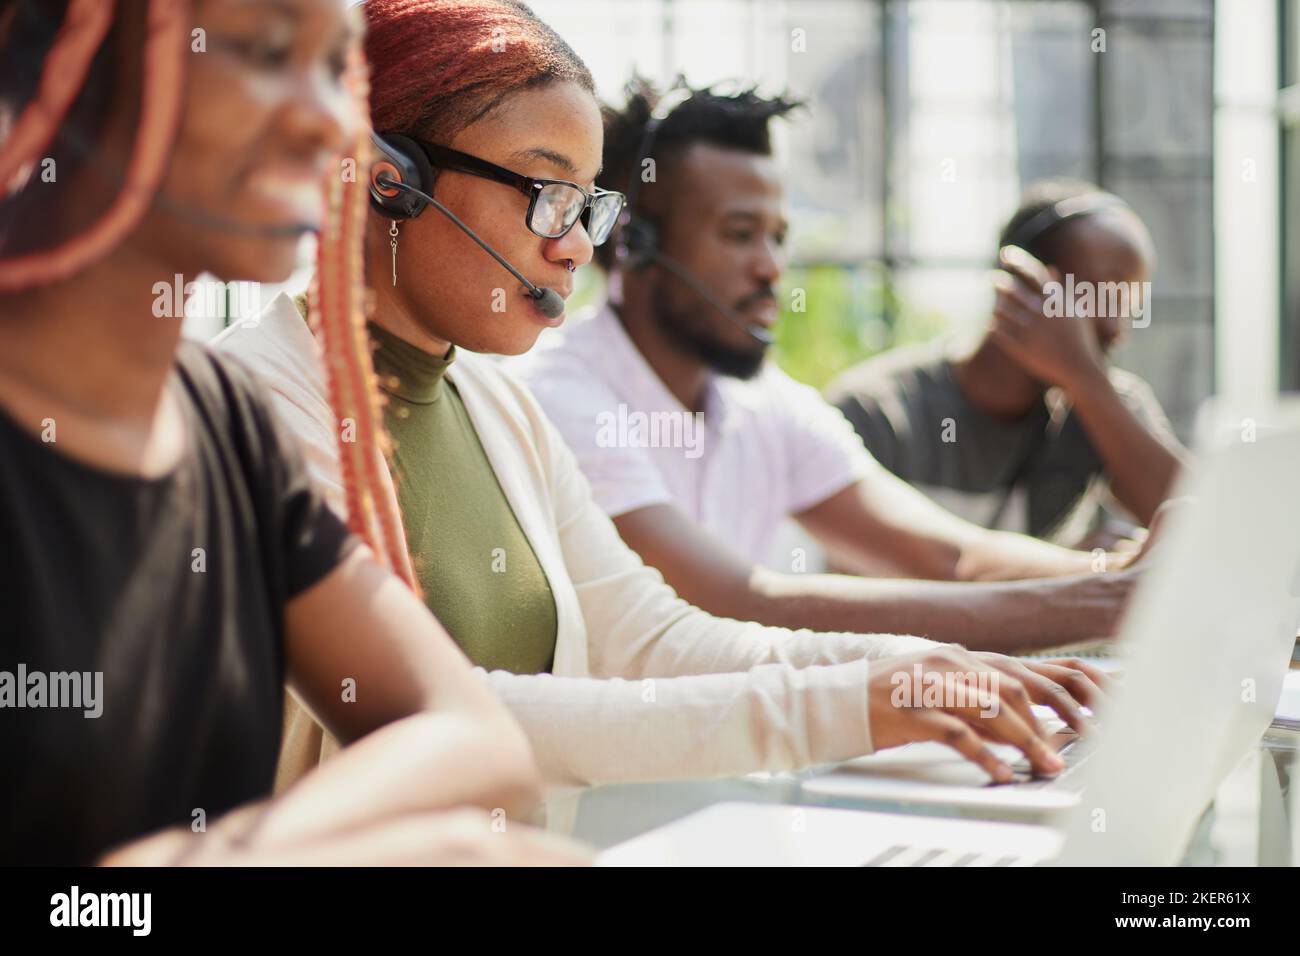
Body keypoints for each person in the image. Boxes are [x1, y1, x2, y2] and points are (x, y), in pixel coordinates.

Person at [216, 0, 1106, 793]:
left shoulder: (500, 411)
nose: (572, 247)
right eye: (545, 194)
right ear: (389, 178)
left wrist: (908, 665)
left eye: (585, 205)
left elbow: (655, 642)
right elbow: (436, 718)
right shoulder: (257, 406)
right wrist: (851, 705)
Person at [0, 0, 586, 866]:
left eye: (334, 68)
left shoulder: (221, 420)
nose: (331, 122)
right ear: (69, 67)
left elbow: (474, 738)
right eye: (267, 53)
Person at [510, 79, 1149, 653]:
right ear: (632, 244)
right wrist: (1106, 601)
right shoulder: (562, 397)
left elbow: (953, 557)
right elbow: (737, 604)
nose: (769, 268)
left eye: (777, 237)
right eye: (738, 234)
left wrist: (1128, 574)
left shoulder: (766, 403)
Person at [826, 178, 1187, 546]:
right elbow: (865, 580)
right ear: (1023, 285)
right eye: (1101, 295)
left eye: (1128, 305)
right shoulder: (875, 413)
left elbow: (1200, 528)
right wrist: (1065, 574)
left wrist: (1085, 378)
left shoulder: (1103, 405)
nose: (1116, 329)